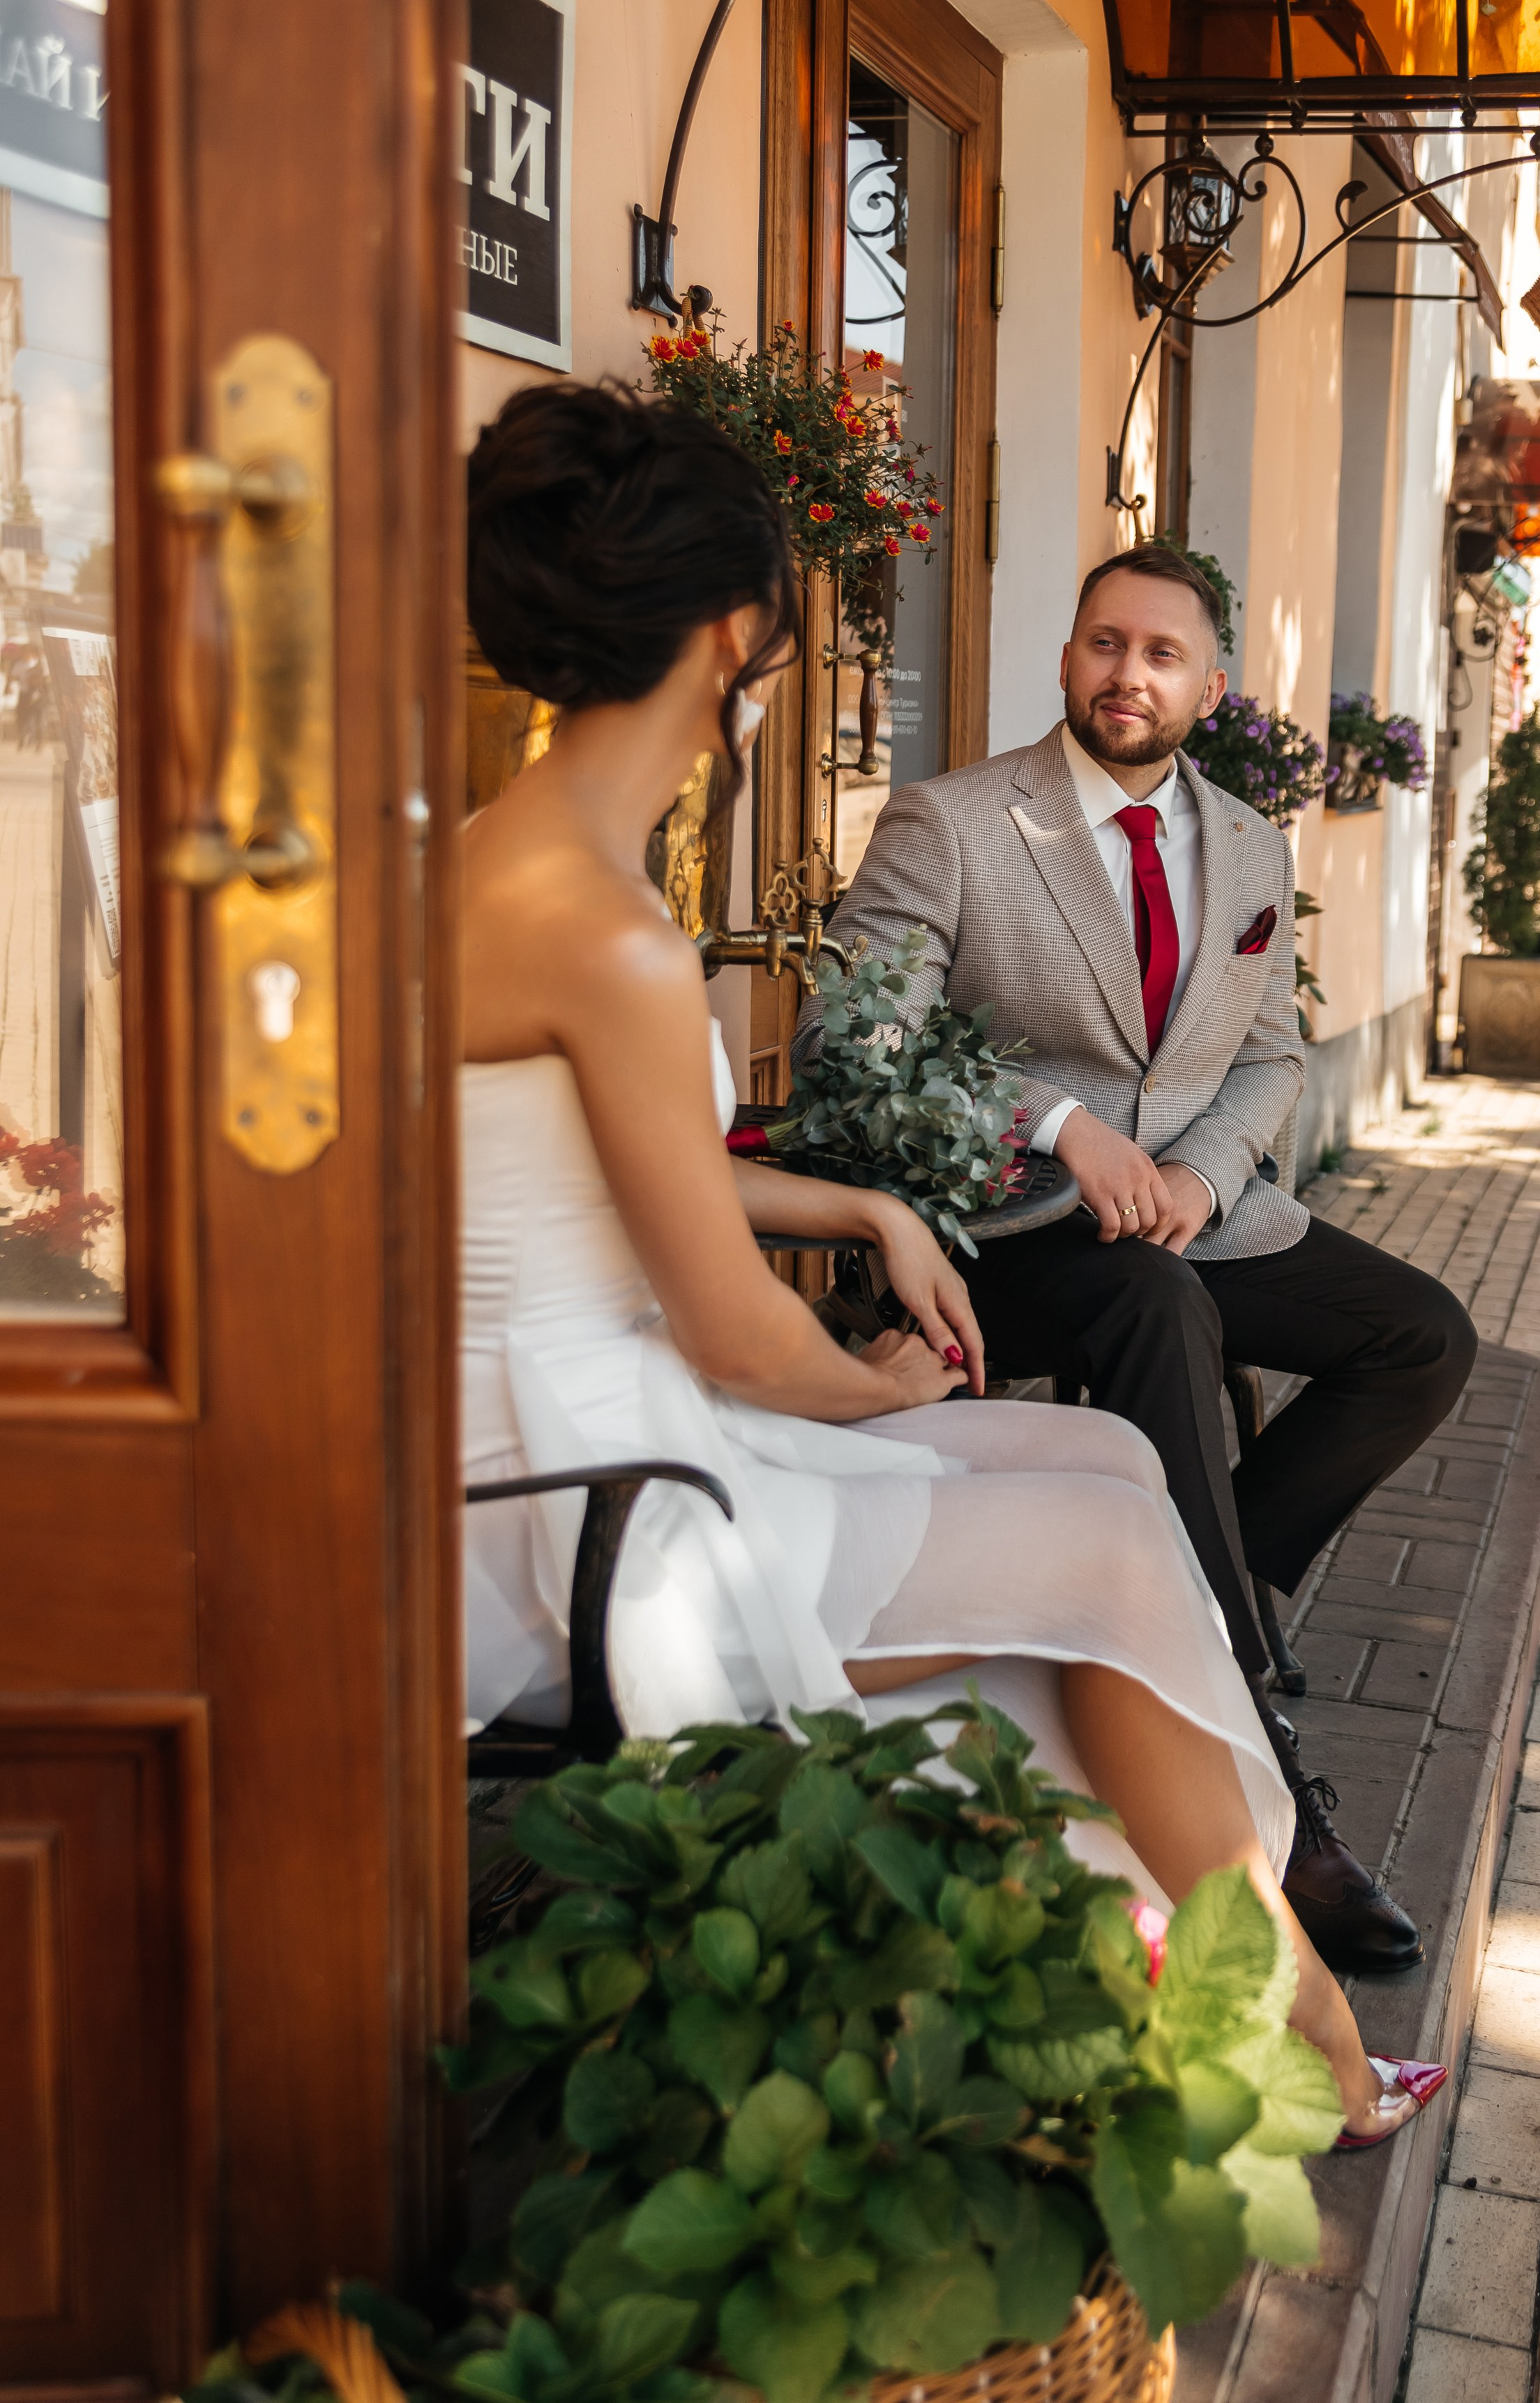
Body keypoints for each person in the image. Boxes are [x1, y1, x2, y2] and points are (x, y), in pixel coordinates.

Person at [458, 377, 1440, 2146]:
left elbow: (608, 1177)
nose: (1126, 674)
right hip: (586, 1481)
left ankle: (1202, 1981)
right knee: (1097, 1543)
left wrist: (863, 1212)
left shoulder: (507, 866)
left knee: (1124, 1460)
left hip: (581, 1402)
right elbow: (748, 1334)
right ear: (733, 637)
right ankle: (1301, 2027)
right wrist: (885, 1380)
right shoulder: (617, 921)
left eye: (1164, 652)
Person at [801, 543, 1479, 1976]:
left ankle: (1194, 1582)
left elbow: (1275, 1056)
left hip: (1190, 1216)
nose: (1130, 674)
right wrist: (1057, 1125)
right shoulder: (956, 821)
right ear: (1067, 659)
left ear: (1211, 685)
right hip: (1001, 1234)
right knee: (1157, 1309)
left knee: (1421, 1336)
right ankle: (1274, 1792)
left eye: (1163, 654)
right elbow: (853, 1042)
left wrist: (1197, 1171)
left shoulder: (1248, 844)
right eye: (1106, 644)